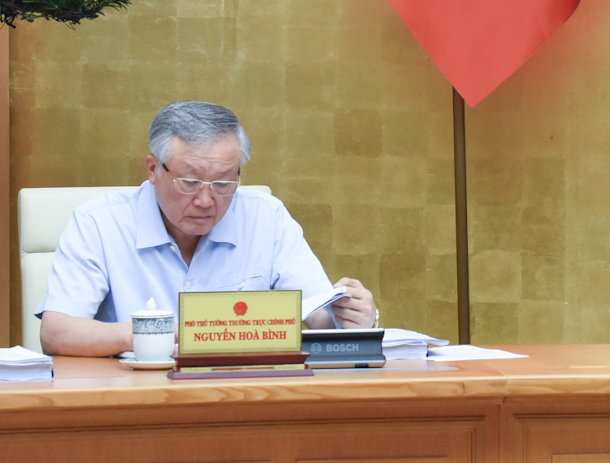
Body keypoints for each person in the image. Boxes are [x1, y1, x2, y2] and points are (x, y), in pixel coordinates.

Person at [37, 100, 377, 356]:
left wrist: (350, 319)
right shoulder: (99, 222)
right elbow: (57, 332)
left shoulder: (266, 218)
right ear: (153, 169)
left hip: (245, 401)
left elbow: (317, 317)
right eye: (189, 182)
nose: (205, 200)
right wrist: (168, 333)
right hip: (135, 402)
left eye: (224, 183)